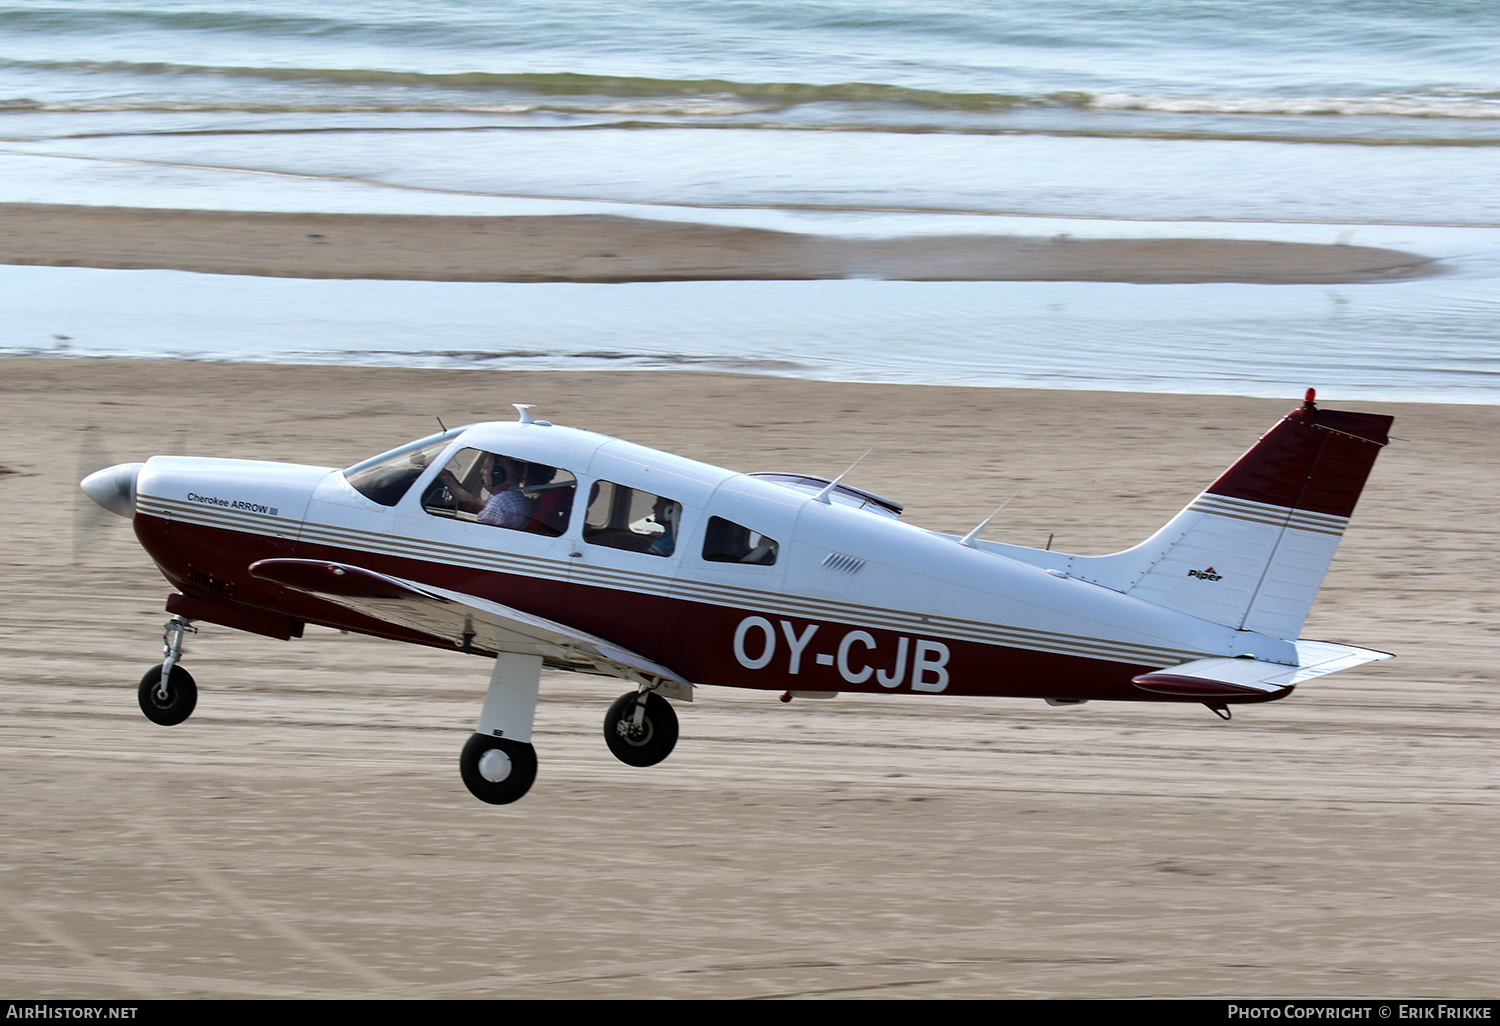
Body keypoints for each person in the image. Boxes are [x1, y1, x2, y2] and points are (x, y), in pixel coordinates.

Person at [476, 455, 532, 529]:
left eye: (485, 468)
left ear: (497, 475)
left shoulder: (498, 504)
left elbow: (478, 534)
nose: (482, 471)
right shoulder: (517, 497)